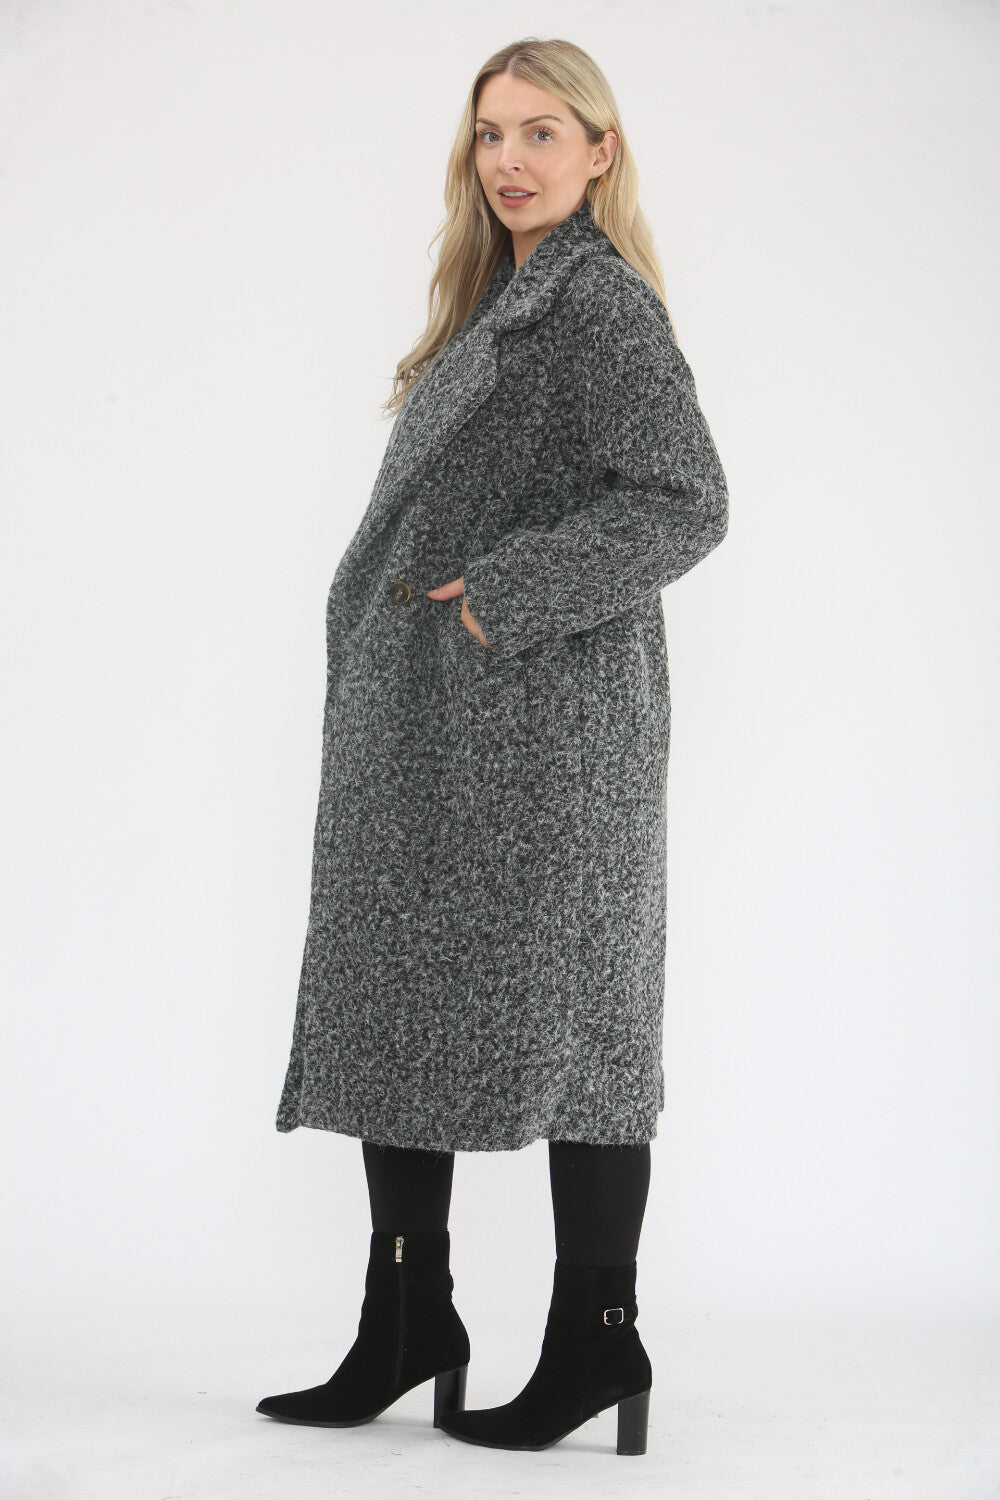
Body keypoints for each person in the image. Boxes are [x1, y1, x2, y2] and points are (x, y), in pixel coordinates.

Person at [257, 35, 729, 1457]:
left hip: (546, 737)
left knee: (586, 1026)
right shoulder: (498, 299)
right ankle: (409, 1318)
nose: (511, 161)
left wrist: (502, 596)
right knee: (398, 991)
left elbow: (686, 501)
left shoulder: (601, 306)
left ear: (601, 150)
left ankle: (597, 1336)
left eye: (542, 132)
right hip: (435, 725)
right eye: (490, 134)